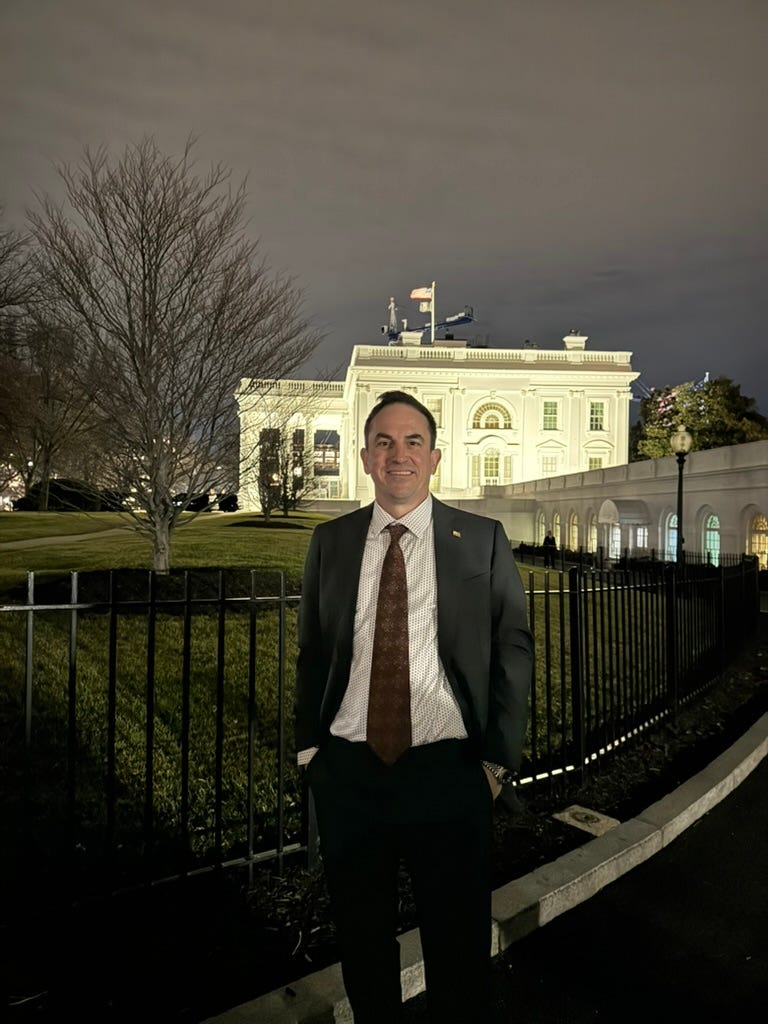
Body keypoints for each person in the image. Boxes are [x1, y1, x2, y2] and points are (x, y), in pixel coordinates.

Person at [295, 390, 533, 1023]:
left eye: (412, 442)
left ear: (434, 458)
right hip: (349, 774)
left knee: (457, 950)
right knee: (362, 944)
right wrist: (311, 752)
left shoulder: (479, 538)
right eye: (384, 442)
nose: (398, 454)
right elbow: (313, 650)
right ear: (366, 458)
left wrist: (496, 763)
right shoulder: (331, 540)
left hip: (448, 773)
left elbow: (513, 646)